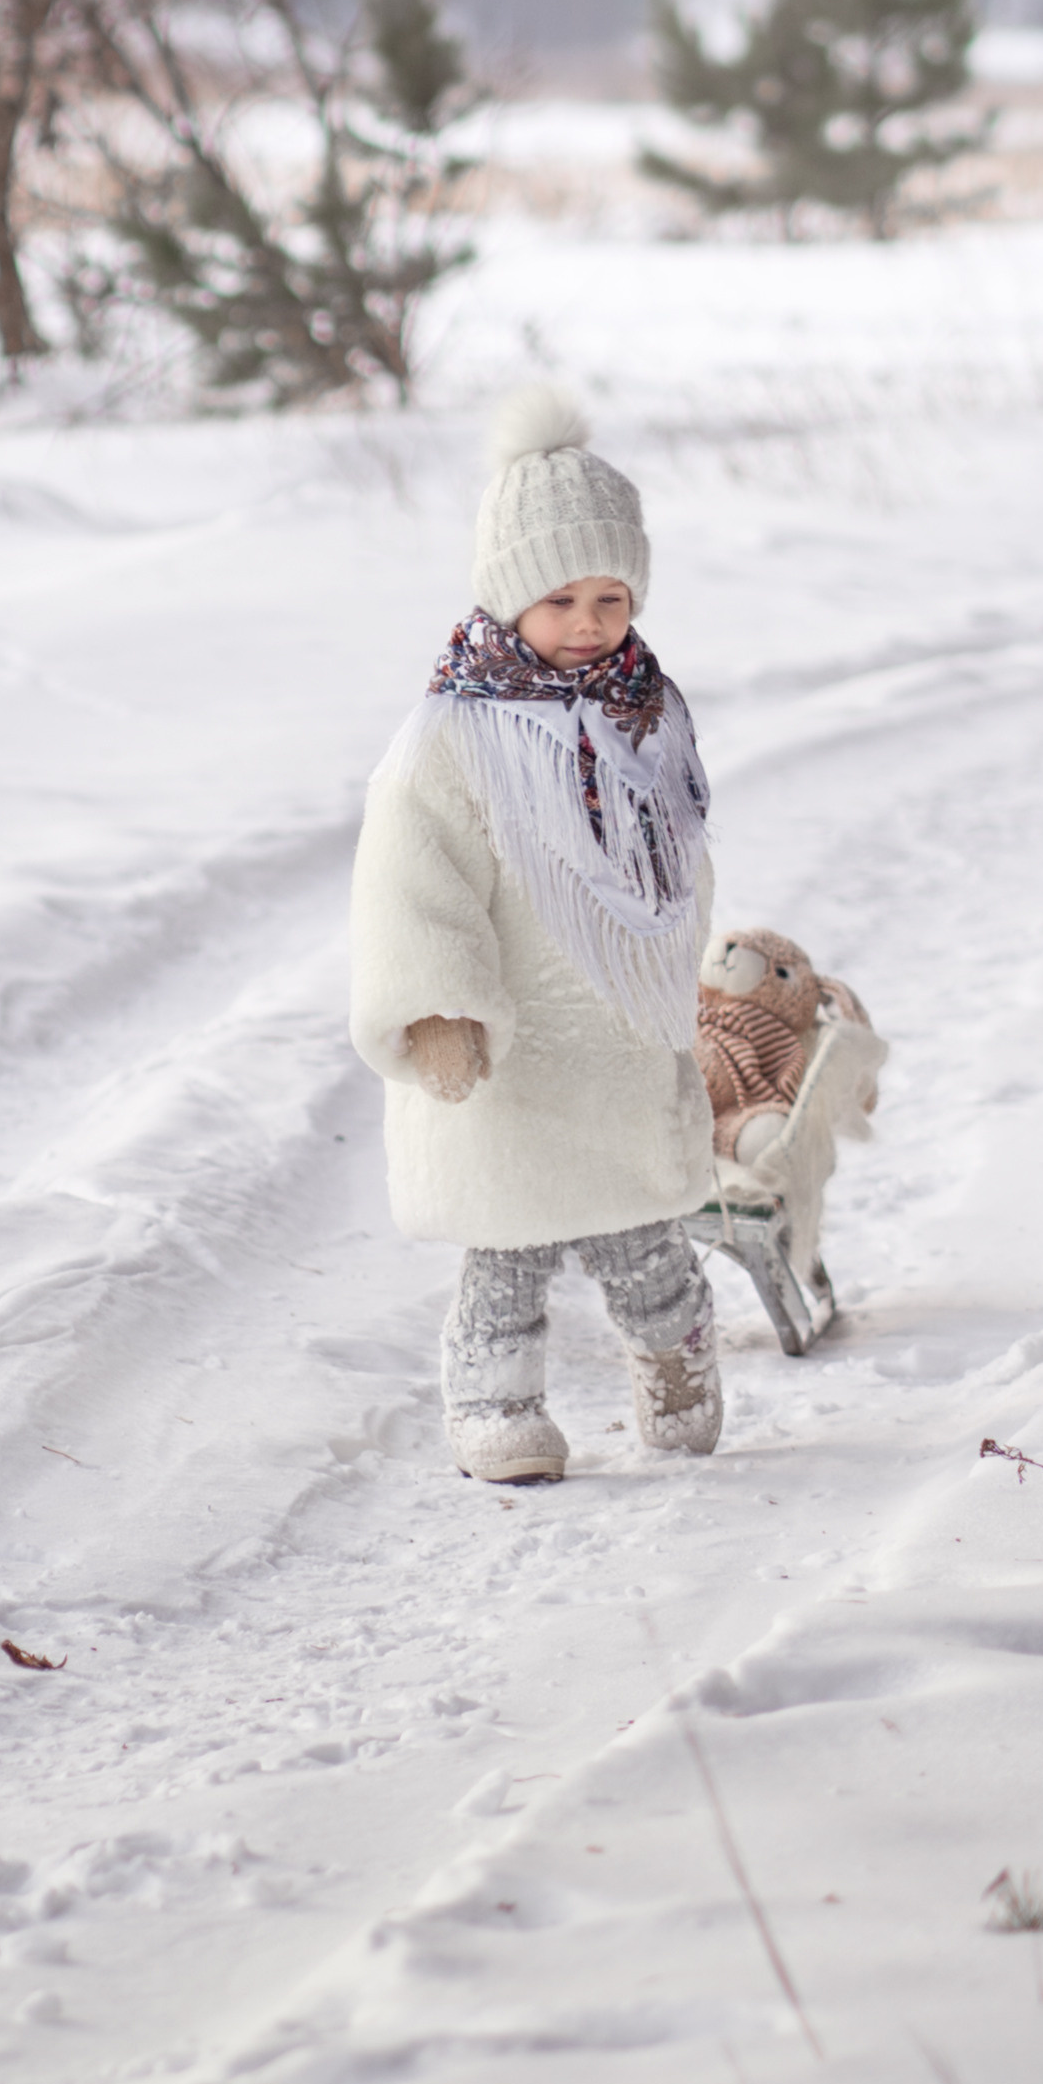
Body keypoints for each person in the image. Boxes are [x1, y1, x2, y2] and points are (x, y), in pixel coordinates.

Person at [350, 387, 722, 1484]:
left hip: (615, 1029)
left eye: (612, 594)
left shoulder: (647, 715)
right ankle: (496, 1405)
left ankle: (678, 1367)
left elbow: (678, 849)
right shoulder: (450, 737)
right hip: (509, 1039)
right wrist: (435, 1007)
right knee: (506, 1245)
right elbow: (411, 880)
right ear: (509, 594)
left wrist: (673, 964)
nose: (590, 621)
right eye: (560, 596)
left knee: (642, 1229)